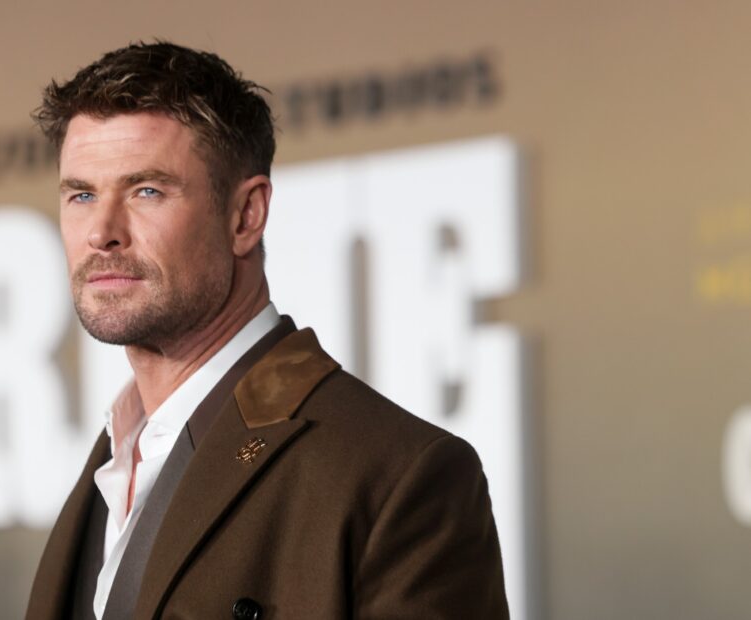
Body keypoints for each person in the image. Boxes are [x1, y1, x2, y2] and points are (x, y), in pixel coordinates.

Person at [26, 41, 508, 620]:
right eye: (81, 194)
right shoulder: (113, 458)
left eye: (146, 191)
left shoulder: (400, 476)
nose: (101, 231)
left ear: (246, 215)